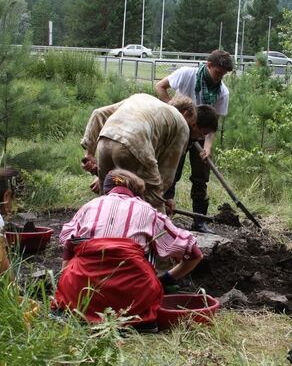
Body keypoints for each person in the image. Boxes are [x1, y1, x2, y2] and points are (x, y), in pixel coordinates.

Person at [54, 169, 203, 331]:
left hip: (79, 297)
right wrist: (165, 280)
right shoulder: (149, 212)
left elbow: (68, 246)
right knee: (149, 248)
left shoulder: (88, 207)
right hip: (133, 304)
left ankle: (74, 313)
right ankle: (138, 323)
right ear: (138, 192)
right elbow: (194, 253)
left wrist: (65, 287)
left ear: (106, 190)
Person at [80, 93, 218, 214]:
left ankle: (102, 237)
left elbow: (98, 113)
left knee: (108, 197)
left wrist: (90, 153)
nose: (192, 128)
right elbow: (166, 173)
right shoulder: (181, 124)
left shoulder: (142, 98)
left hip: (105, 141)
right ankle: (156, 241)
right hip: (133, 145)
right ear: (186, 114)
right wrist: (161, 199)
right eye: (193, 123)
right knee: (153, 204)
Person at [155, 50, 234, 234]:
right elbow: (160, 87)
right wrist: (175, 112)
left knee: (201, 179)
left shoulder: (222, 92)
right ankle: (164, 217)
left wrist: (207, 147)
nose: (219, 78)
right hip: (179, 133)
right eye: (217, 72)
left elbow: (213, 125)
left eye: (223, 74)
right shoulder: (186, 74)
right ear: (209, 65)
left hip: (200, 136)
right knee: (171, 174)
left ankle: (199, 222)